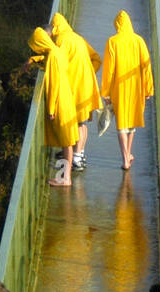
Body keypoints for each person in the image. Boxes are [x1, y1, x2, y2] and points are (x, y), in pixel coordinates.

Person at [99, 10, 154, 170]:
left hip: (119, 88)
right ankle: (128, 154)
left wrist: (106, 92)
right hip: (136, 87)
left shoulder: (112, 42)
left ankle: (124, 158)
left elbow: (109, 70)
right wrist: (148, 89)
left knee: (122, 124)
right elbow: (146, 66)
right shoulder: (139, 41)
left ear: (117, 25)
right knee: (132, 124)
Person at [50, 12, 103, 172]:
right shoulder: (78, 38)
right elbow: (97, 59)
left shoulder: (60, 41)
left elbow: (57, 66)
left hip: (74, 87)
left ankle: (76, 158)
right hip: (86, 86)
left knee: (75, 123)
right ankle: (79, 154)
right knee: (82, 121)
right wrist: (88, 72)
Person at [27, 26, 77, 186]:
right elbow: (47, 62)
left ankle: (66, 178)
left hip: (60, 102)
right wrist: (33, 59)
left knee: (66, 142)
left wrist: (50, 109)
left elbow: (53, 83)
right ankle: (63, 177)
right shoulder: (56, 51)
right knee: (66, 141)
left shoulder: (54, 55)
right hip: (66, 98)